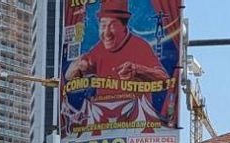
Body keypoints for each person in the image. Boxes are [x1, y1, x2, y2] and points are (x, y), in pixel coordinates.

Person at [64, 0, 172, 129]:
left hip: (135, 127)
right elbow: (69, 76)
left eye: (112, 25)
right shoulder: (99, 49)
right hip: (104, 128)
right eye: (103, 25)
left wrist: (138, 70)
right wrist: (79, 64)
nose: (106, 32)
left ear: (124, 26)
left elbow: (164, 79)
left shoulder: (140, 46)